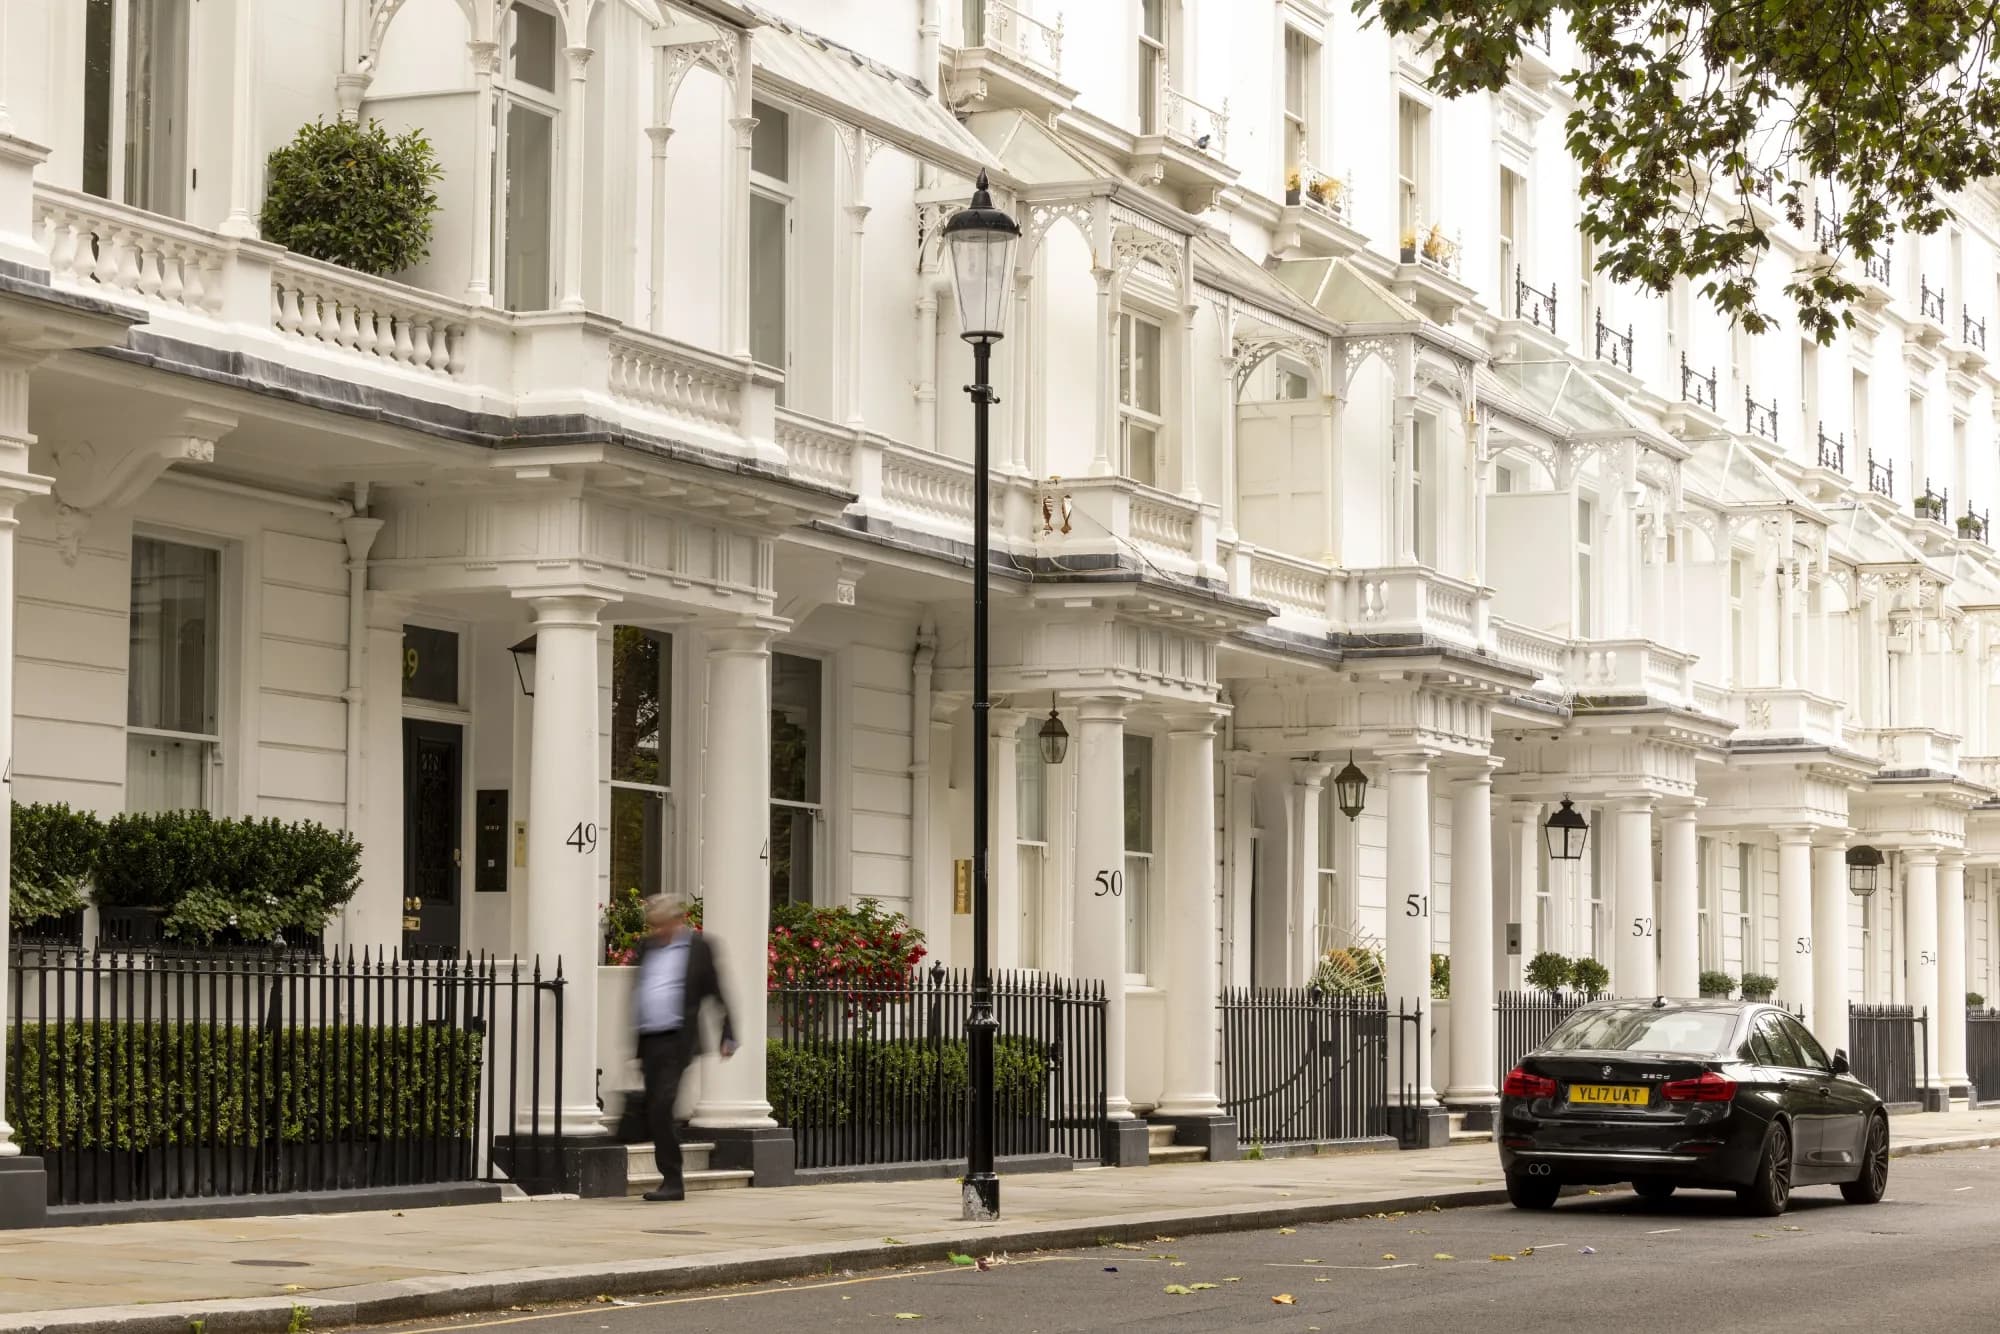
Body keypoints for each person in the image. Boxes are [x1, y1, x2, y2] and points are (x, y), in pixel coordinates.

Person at [631, 893, 736, 1202]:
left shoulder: (698, 948)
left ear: (677, 921)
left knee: (663, 1105)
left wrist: (728, 1032)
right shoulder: (647, 947)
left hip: (678, 1039)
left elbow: (717, 991)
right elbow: (640, 992)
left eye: (662, 925)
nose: (657, 931)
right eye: (654, 925)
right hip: (650, 1038)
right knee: (655, 1109)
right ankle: (670, 1177)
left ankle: (673, 1180)